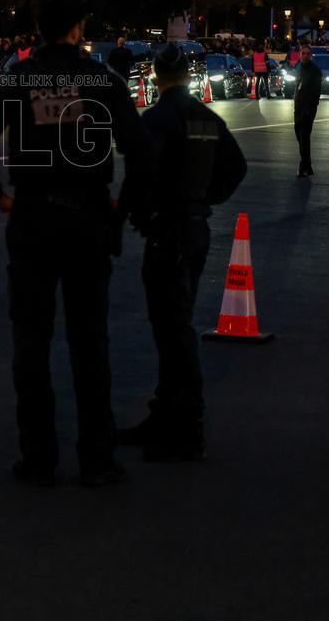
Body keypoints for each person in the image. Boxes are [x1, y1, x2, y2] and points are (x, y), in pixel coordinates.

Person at [0, 0, 154, 487]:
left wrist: (0, 200)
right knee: (90, 342)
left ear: (39, 30)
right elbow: (143, 155)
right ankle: (98, 457)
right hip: (87, 216)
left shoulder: (18, 80)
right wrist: (119, 209)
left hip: (34, 217)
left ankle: (38, 456)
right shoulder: (103, 81)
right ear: (79, 29)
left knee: (31, 340)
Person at [120, 43, 247, 462]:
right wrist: (206, 198)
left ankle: (187, 426)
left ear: (156, 75)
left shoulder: (157, 119)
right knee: (177, 323)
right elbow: (236, 168)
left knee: (173, 331)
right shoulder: (207, 118)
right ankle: (167, 415)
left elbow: (139, 171)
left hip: (167, 232)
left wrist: (130, 215)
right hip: (196, 229)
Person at [294, 44, 322, 177]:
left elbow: (316, 93)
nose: (305, 56)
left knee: (304, 138)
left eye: (307, 54)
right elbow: (297, 87)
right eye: (303, 53)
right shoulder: (300, 68)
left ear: (311, 56)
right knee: (299, 136)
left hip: (307, 110)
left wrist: (309, 110)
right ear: (299, 55)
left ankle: (303, 166)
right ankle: (308, 165)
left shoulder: (315, 71)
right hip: (298, 108)